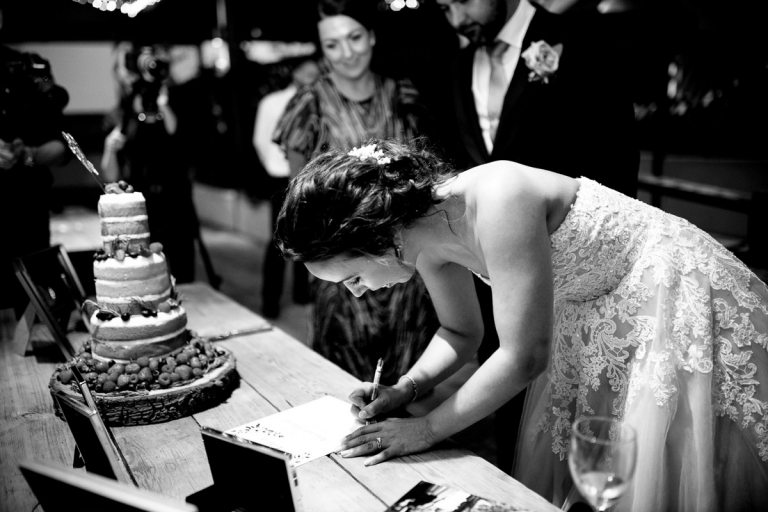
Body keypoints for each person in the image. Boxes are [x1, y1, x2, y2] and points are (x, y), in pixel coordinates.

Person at [275, 139, 768, 512]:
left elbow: (523, 356)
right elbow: (460, 333)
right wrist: (406, 388)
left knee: (690, 451)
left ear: (376, 237)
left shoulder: (498, 195)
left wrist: (425, 429)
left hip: (667, 288)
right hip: (589, 305)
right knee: (605, 463)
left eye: (354, 278)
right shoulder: (419, 238)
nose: (357, 292)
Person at [431, 0, 641, 472]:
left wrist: (604, 264)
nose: (456, 18)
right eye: (445, 8)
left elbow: (616, 154)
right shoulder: (459, 62)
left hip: (583, 269)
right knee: (512, 401)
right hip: (498, 268)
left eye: (461, 2)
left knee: (590, 408)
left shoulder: (581, 42)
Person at [272, 0, 439, 384]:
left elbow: (426, 168)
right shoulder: (309, 103)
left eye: (355, 38)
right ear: (322, 49)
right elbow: (300, 201)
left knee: (408, 363)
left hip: (406, 259)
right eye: (332, 44)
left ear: (372, 36)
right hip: (342, 263)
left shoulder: (401, 93)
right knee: (343, 368)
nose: (346, 53)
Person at [101, 43, 207, 284]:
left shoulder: (175, 103)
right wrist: (110, 147)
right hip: (138, 202)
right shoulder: (122, 115)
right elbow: (110, 175)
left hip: (175, 200)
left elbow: (179, 137)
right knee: (141, 271)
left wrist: (163, 103)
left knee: (182, 266)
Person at [0, 43, 68, 313]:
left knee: (33, 291)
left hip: (29, 204)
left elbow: (63, 146)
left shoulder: (27, 66)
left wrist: (29, 153)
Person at [255, 57, 320, 318]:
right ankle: (269, 301)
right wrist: (275, 168)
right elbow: (261, 139)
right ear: (294, 73)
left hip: (311, 177)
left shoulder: (320, 101)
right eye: (305, 70)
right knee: (278, 240)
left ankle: (302, 294)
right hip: (281, 178)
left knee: (308, 235)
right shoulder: (272, 102)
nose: (310, 75)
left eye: (315, 72)